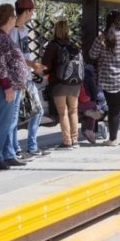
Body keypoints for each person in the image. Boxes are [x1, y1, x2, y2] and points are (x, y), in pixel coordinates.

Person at [0, 4, 29, 170]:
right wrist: (7, 87)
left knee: (9, 122)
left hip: (11, 86)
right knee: (2, 123)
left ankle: (8, 154)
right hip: (4, 87)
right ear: (10, 18)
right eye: (14, 15)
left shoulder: (4, 36)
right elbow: (0, 64)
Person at [89, 10, 120, 146]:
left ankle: (113, 139)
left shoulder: (103, 37)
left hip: (110, 79)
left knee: (114, 109)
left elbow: (92, 54)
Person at [9, 0, 49, 159]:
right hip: (16, 78)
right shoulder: (11, 31)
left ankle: (32, 146)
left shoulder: (23, 30)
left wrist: (32, 67)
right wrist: (33, 65)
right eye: (32, 11)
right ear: (27, 11)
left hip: (27, 76)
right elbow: (13, 56)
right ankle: (15, 147)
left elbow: (23, 54)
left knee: (37, 110)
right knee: (14, 115)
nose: (32, 14)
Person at [42, 20, 82, 149]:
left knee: (63, 112)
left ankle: (67, 141)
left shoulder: (53, 45)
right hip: (75, 83)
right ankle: (75, 139)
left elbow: (46, 64)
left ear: (55, 30)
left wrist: (46, 74)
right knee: (73, 111)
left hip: (59, 83)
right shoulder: (73, 45)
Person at [78, 63, 105, 144]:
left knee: (92, 108)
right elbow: (95, 94)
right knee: (94, 108)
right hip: (83, 104)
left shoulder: (77, 77)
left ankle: (89, 129)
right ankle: (89, 130)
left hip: (73, 102)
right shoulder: (90, 78)